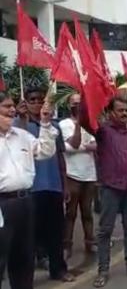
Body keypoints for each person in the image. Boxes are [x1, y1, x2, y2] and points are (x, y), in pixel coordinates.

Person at [14, 86, 74, 282]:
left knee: (56, 233)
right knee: (29, 237)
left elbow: (60, 158)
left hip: (54, 186)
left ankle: (58, 270)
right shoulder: (17, 126)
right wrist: (20, 119)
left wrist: (65, 185)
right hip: (31, 189)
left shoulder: (53, 127)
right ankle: (26, 278)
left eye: (41, 100)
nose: (37, 104)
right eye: (32, 100)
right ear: (25, 102)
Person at [0, 91, 57, 289]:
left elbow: (45, 151)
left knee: (24, 256)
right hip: (2, 205)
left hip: (25, 202)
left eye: (12, 106)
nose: (12, 110)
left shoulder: (23, 136)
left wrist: (46, 123)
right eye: (6, 107)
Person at [92, 97, 127, 288]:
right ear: (111, 113)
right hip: (110, 188)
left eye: (126, 110)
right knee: (105, 231)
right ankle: (103, 271)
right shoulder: (103, 132)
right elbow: (86, 120)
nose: (124, 114)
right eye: (120, 110)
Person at [60, 93, 97, 259]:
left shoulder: (91, 124)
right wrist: (78, 127)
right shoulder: (64, 124)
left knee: (88, 213)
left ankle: (90, 243)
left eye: (80, 103)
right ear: (69, 106)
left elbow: (98, 145)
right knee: (70, 213)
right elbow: (71, 146)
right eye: (74, 103)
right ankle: (67, 245)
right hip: (72, 175)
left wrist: (86, 145)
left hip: (89, 175)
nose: (77, 106)